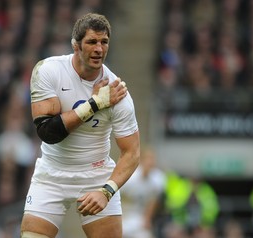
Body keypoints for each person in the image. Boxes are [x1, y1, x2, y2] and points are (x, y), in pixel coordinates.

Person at [20, 13, 140, 238]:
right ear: (76, 45)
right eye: (92, 42)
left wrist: (107, 191)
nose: (99, 49)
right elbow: (48, 132)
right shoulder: (49, 71)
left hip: (96, 176)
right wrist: (93, 105)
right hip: (51, 174)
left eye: (104, 42)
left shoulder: (118, 93)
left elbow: (132, 152)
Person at [121, 146, 166, 238]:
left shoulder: (158, 178)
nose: (150, 162)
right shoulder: (130, 178)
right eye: (148, 159)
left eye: (152, 159)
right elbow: (118, 197)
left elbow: (154, 200)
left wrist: (147, 218)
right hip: (126, 215)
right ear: (141, 161)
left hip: (139, 217)